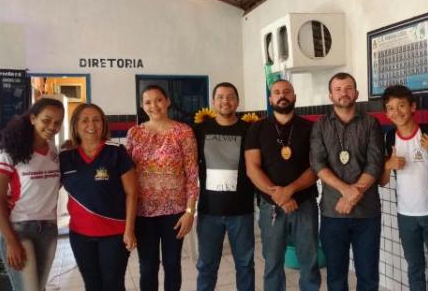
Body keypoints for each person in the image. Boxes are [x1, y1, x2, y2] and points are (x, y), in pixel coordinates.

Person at [310, 72, 384, 291]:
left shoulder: (371, 123)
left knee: (368, 276)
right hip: (334, 212)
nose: (344, 93)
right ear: (330, 95)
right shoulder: (320, 126)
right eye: (338, 89)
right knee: (336, 276)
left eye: (349, 88)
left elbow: (375, 163)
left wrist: (353, 197)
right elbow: (317, 164)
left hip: (367, 213)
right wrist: (346, 191)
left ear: (357, 93)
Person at [245, 79, 320, 291]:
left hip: (304, 204)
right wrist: (277, 195)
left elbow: (316, 168)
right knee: (273, 263)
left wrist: (289, 191)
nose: (282, 95)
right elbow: (253, 168)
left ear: (294, 96)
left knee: (309, 262)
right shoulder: (257, 128)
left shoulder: (310, 127)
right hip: (270, 206)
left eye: (287, 91)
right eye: (276, 92)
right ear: (270, 99)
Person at [126, 85, 199, 291]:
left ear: (167, 101)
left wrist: (189, 211)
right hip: (143, 213)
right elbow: (127, 174)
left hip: (175, 213)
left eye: (158, 100)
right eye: (147, 102)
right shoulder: (135, 133)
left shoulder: (183, 132)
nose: (153, 106)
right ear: (142, 106)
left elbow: (192, 175)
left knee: (172, 265)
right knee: (147, 267)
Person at [59, 103, 138, 291]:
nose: (91, 125)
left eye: (96, 120)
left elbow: (132, 193)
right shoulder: (65, 157)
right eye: (84, 120)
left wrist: (129, 230)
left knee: (113, 285)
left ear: (103, 124)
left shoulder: (116, 152)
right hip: (80, 235)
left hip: (114, 234)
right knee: (92, 285)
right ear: (75, 125)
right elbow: (46, 189)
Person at [380, 85, 428, 291]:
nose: (397, 112)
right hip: (406, 216)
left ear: (412, 107)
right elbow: (383, 181)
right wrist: (387, 165)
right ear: (386, 113)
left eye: (401, 105)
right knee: (414, 267)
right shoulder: (389, 138)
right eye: (391, 108)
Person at [0, 98, 64, 291]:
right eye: (46, 120)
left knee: (39, 288)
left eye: (58, 122)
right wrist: (10, 240)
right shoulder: (9, 152)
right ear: (33, 118)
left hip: (48, 229)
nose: (52, 126)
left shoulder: (53, 149)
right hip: (18, 229)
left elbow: (51, 184)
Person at [194, 82, 255, 291]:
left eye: (230, 97)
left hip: (242, 211)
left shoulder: (249, 130)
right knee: (206, 266)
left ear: (237, 101)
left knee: (245, 265)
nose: (225, 101)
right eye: (220, 97)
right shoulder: (200, 130)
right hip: (209, 211)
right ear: (213, 102)